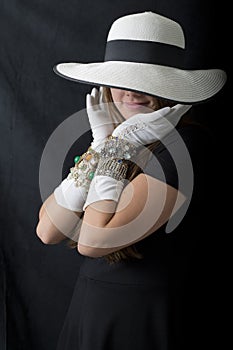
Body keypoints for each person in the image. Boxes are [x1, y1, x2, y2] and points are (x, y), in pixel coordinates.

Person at [36, 12, 226, 350]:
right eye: (123, 77)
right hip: (90, 308)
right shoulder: (116, 140)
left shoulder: (186, 147)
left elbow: (93, 241)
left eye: (148, 81)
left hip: (140, 320)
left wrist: (116, 147)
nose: (132, 91)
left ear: (171, 88)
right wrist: (100, 146)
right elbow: (49, 231)